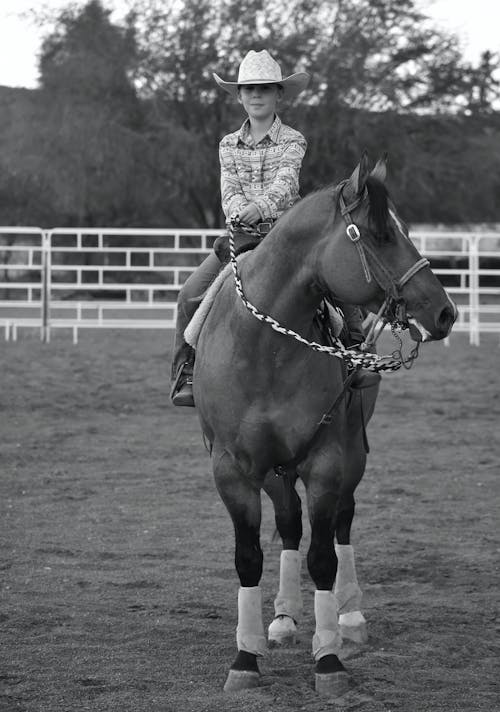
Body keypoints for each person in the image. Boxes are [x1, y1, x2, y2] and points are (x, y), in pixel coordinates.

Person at [170, 49, 377, 407]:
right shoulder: (227, 144)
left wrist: (259, 208)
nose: (256, 95)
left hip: (288, 239)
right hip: (242, 238)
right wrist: (238, 212)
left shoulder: (293, 139)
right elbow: (228, 189)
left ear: (279, 94)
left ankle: (352, 356)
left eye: (264, 88)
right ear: (238, 96)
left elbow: (285, 184)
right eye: (248, 89)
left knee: (338, 289)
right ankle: (186, 373)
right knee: (189, 294)